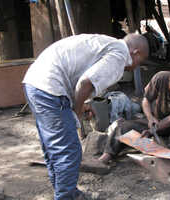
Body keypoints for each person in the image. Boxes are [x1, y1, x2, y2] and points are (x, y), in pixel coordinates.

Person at [22, 33, 149, 200]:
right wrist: (77, 111)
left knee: (55, 147)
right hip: (49, 87)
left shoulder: (108, 44)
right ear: (135, 52)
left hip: (35, 82)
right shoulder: (120, 55)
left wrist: (84, 103)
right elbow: (85, 83)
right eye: (140, 62)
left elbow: (82, 79)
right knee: (68, 151)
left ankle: (69, 193)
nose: (136, 67)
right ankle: (65, 196)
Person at [98, 65, 170, 164]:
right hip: (154, 121)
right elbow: (146, 100)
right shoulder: (160, 77)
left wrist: (151, 131)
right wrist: (150, 118)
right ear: (169, 79)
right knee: (123, 127)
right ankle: (107, 156)